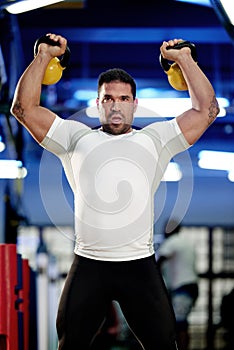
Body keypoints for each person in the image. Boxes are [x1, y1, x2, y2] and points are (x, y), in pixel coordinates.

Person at [10, 33, 219, 350]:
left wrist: (185, 59)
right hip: (89, 264)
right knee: (71, 344)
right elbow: (23, 109)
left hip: (139, 265)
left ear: (135, 104)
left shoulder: (156, 139)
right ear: (97, 105)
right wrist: (43, 56)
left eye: (123, 99)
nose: (116, 106)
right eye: (108, 99)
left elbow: (207, 111)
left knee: (164, 344)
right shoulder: (74, 137)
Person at [157, 220, 199, 350]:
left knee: (178, 325)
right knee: (182, 323)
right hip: (191, 286)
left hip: (181, 287)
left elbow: (158, 263)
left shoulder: (172, 242)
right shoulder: (187, 242)